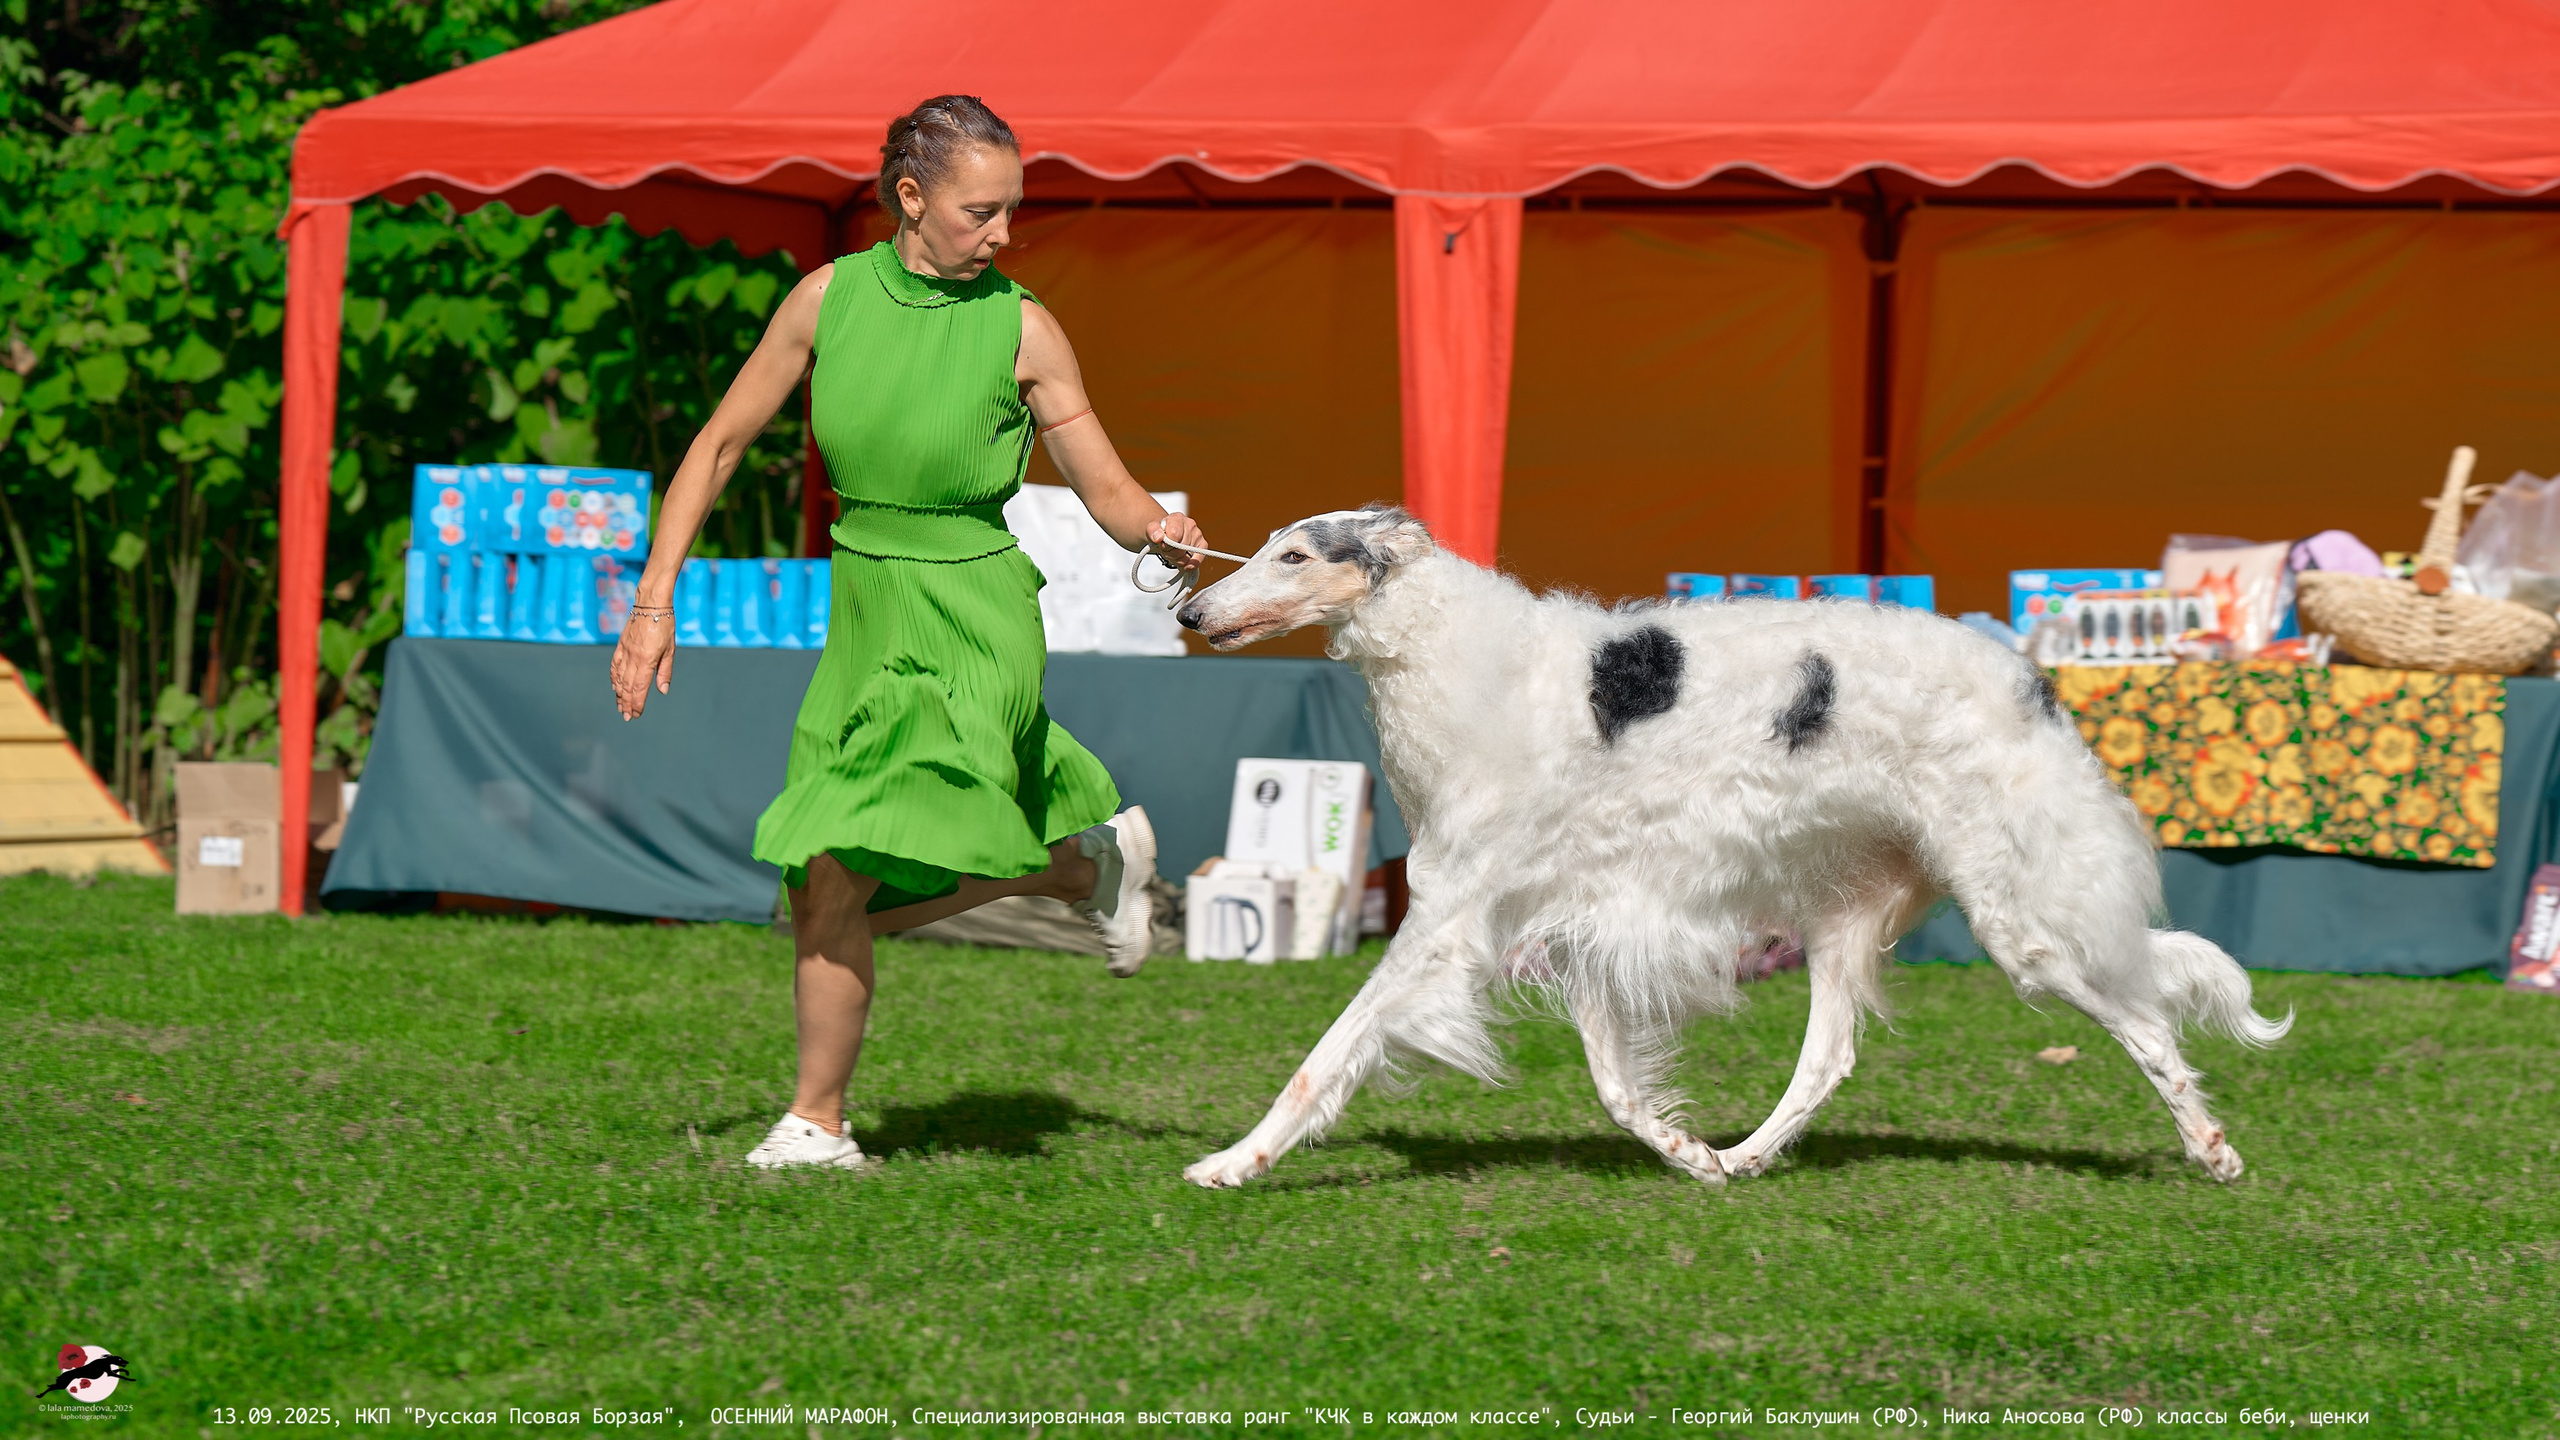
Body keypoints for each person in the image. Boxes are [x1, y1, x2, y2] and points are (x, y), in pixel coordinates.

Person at [609, 94, 1211, 1171]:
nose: (1004, 234)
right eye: (982, 212)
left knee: (881, 854)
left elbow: (1108, 489)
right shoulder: (825, 302)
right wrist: (652, 605)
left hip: (977, 611)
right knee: (823, 876)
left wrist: (1163, 530)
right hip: (867, 606)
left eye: (1012, 211)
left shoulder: (1025, 326)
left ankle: (829, 1106)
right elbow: (715, 448)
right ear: (910, 198)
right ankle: (824, 1121)